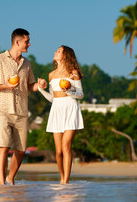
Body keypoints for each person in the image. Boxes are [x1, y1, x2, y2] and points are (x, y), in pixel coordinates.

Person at [0, 28, 47, 185]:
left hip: (21, 110)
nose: (29, 44)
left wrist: (39, 85)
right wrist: (5, 85)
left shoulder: (27, 64)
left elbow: (30, 86)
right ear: (17, 42)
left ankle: (10, 178)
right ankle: (1, 183)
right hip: (2, 109)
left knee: (21, 150)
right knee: (4, 146)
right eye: (27, 41)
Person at [37, 45, 84, 184]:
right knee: (58, 151)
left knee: (66, 146)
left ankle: (66, 180)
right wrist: (41, 89)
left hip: (70, 107)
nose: (55, 52)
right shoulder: (51, 75)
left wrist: (69, 91)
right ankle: (62, 177)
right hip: (56, 109)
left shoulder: (73, 73)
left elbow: (80, 95)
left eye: (58, 51)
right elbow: (52, 98)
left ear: (65, 55)